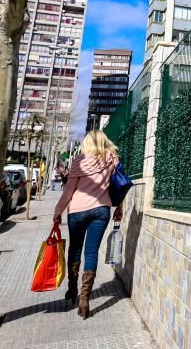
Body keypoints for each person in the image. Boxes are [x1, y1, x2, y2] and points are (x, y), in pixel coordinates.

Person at [53, 130, 123, 319]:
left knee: (75, 250)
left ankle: (72, 288)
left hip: (77, 211)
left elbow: (69, 191)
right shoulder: (112, 159)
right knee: (91, 253)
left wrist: (57, 212)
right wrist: (119, 207)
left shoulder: (79, 161)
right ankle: (84, 299)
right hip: (102, 210)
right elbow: (120, 185)